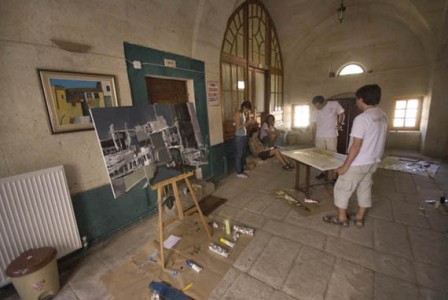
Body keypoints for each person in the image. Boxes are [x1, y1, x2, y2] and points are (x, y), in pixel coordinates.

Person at [323, 84, 388, 228]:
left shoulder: (362, 118)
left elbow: (356, 145)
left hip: (359, 162)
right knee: (365, 187)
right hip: (373, 161)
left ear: (361, 99)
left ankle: (341, 219)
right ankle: (359, 218)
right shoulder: (382, 115)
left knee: (342, 188)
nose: (357, 102)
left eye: (357, 99)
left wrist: (345, 166)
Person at [311, 95, 345, 180]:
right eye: (315, 106)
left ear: (323, 103)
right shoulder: (315, 112)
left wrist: (339, 124)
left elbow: (342, 114)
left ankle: (335, 175)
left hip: (331, 134)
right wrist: (313, 137)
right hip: (319, 135)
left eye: (318, 106)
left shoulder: (334, 104)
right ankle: (321, 172)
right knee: (319, 154)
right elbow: (314, 125)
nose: (317, 108)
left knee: (333, 154)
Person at [234, 101, 256, 178]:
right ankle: (238, 172)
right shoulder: (237, 113)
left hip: (243, 135)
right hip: (239, 137)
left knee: (243, 154)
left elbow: (244, 125)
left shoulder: (243, 113)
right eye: (247, 109)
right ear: (244, 107)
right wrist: (247, 123)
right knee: (239, 155)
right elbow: (237, 127)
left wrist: (250, 122)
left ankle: (242, 169)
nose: (247, 111)